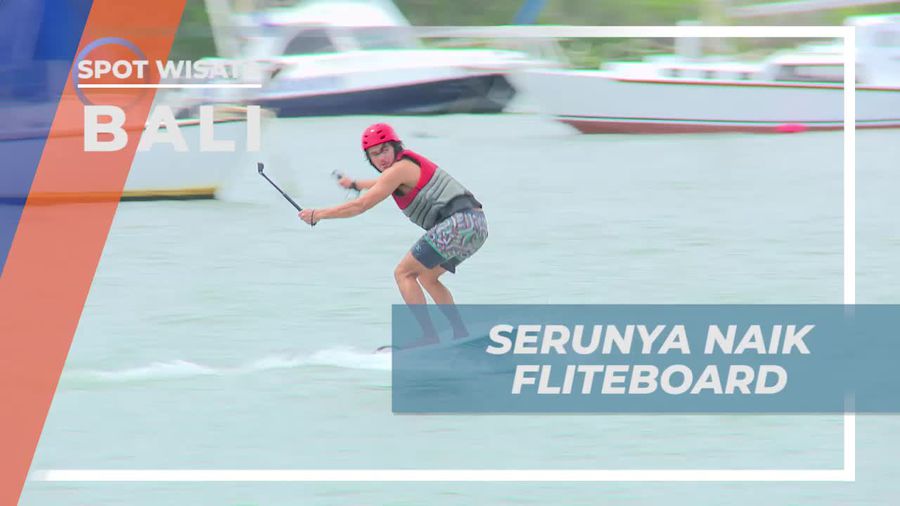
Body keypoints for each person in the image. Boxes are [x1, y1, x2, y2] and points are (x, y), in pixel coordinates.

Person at [298, 123, 488, 344]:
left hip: (458, 223)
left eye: (385, 150)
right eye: (374, 154)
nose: (381, 158)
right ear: (369, 158)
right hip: (476, 226)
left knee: (403, 273)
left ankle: (429, 336)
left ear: (396, 147)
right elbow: (383, 182)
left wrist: (318, 214)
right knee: (427, 276)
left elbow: (360, 206)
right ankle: (460, 333)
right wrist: (355, 183)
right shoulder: (402, 169)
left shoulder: (399, 169)